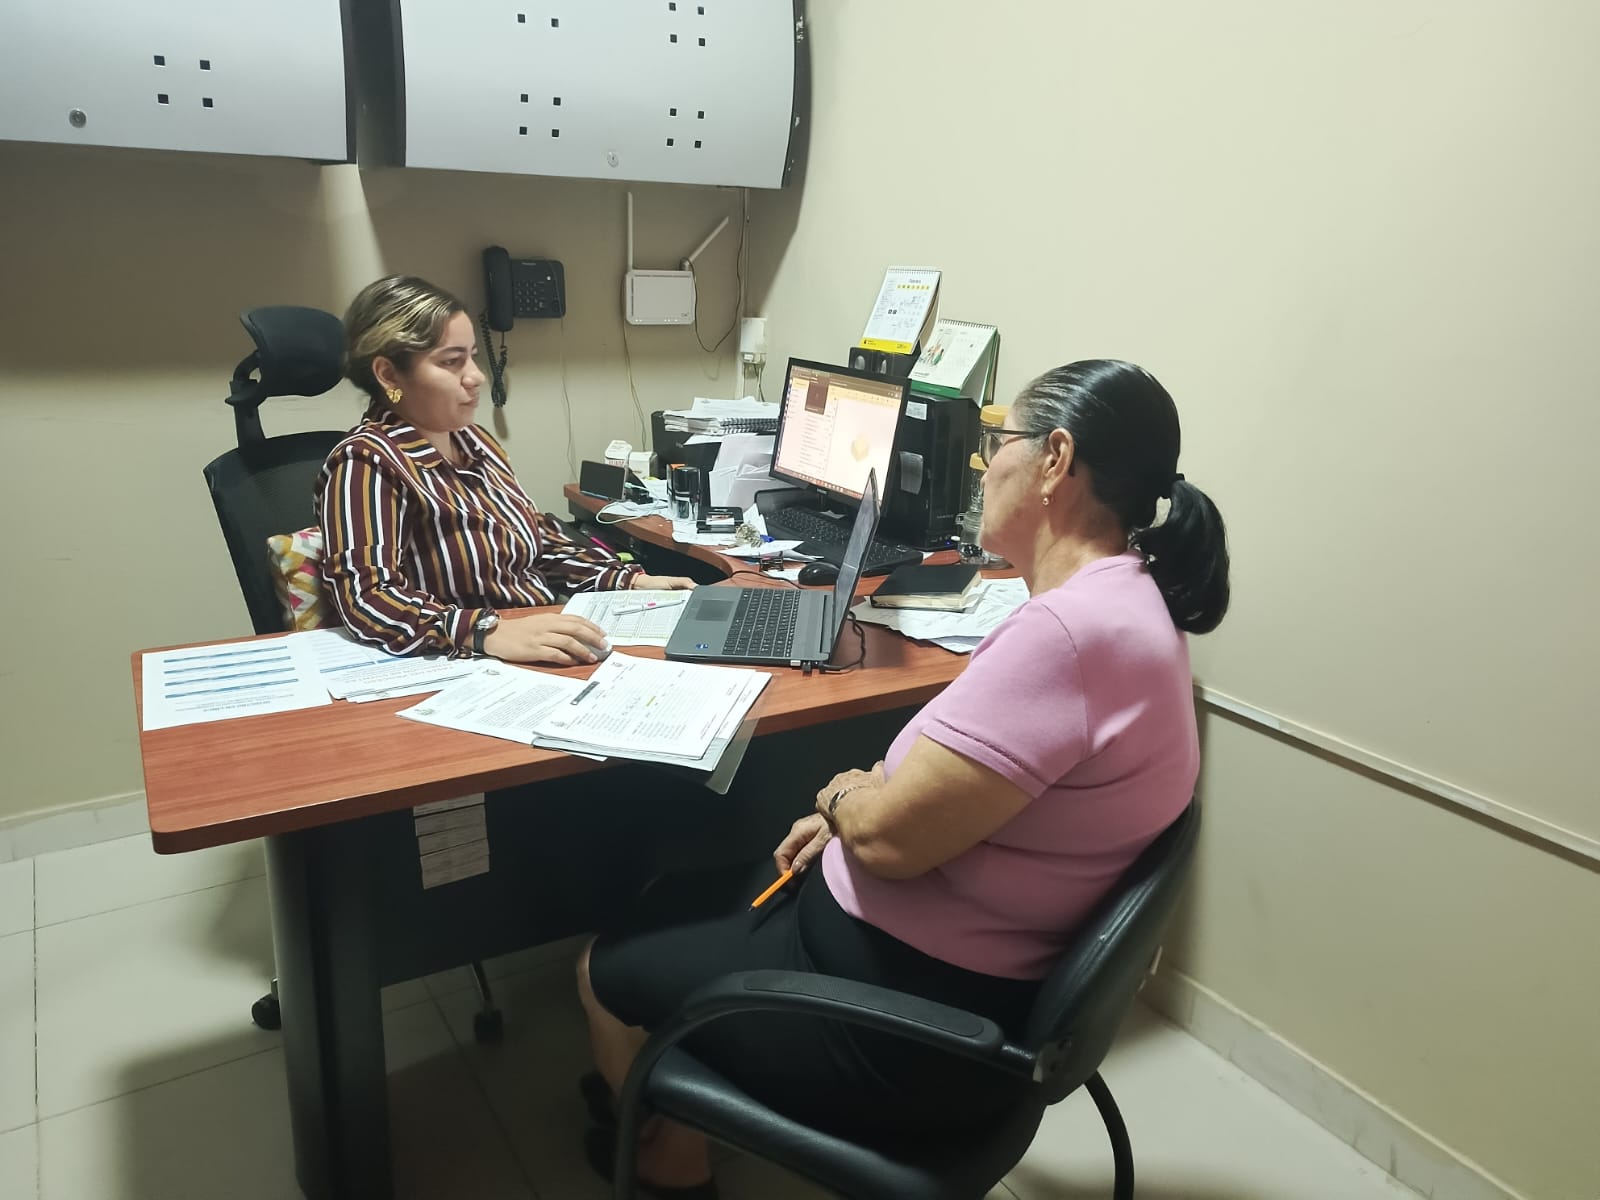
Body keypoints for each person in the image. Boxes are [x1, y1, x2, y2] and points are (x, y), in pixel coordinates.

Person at [573, 359, 1232, 1199]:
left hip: (909, 1030)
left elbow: (888, 843)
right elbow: (970, 782)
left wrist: (844, 796)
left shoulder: (1068, 635)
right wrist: (855, 811)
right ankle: (677, 1117)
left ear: (1056, 460)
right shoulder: (1129, 601)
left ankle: (670, 1164)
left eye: (998, 443)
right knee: (686, 901)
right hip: (950, 973)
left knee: (603, 964)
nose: (983, 465)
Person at [316, 274, 694, 662]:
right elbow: (367, 598)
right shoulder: (366, 461)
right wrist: (484, 631)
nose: (476, 376)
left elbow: (536, 543)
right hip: (464, 660)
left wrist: (628, 581)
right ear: (389, 374)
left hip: (532, 631)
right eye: (451, 362)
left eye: (472, 356)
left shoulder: (473, 440)